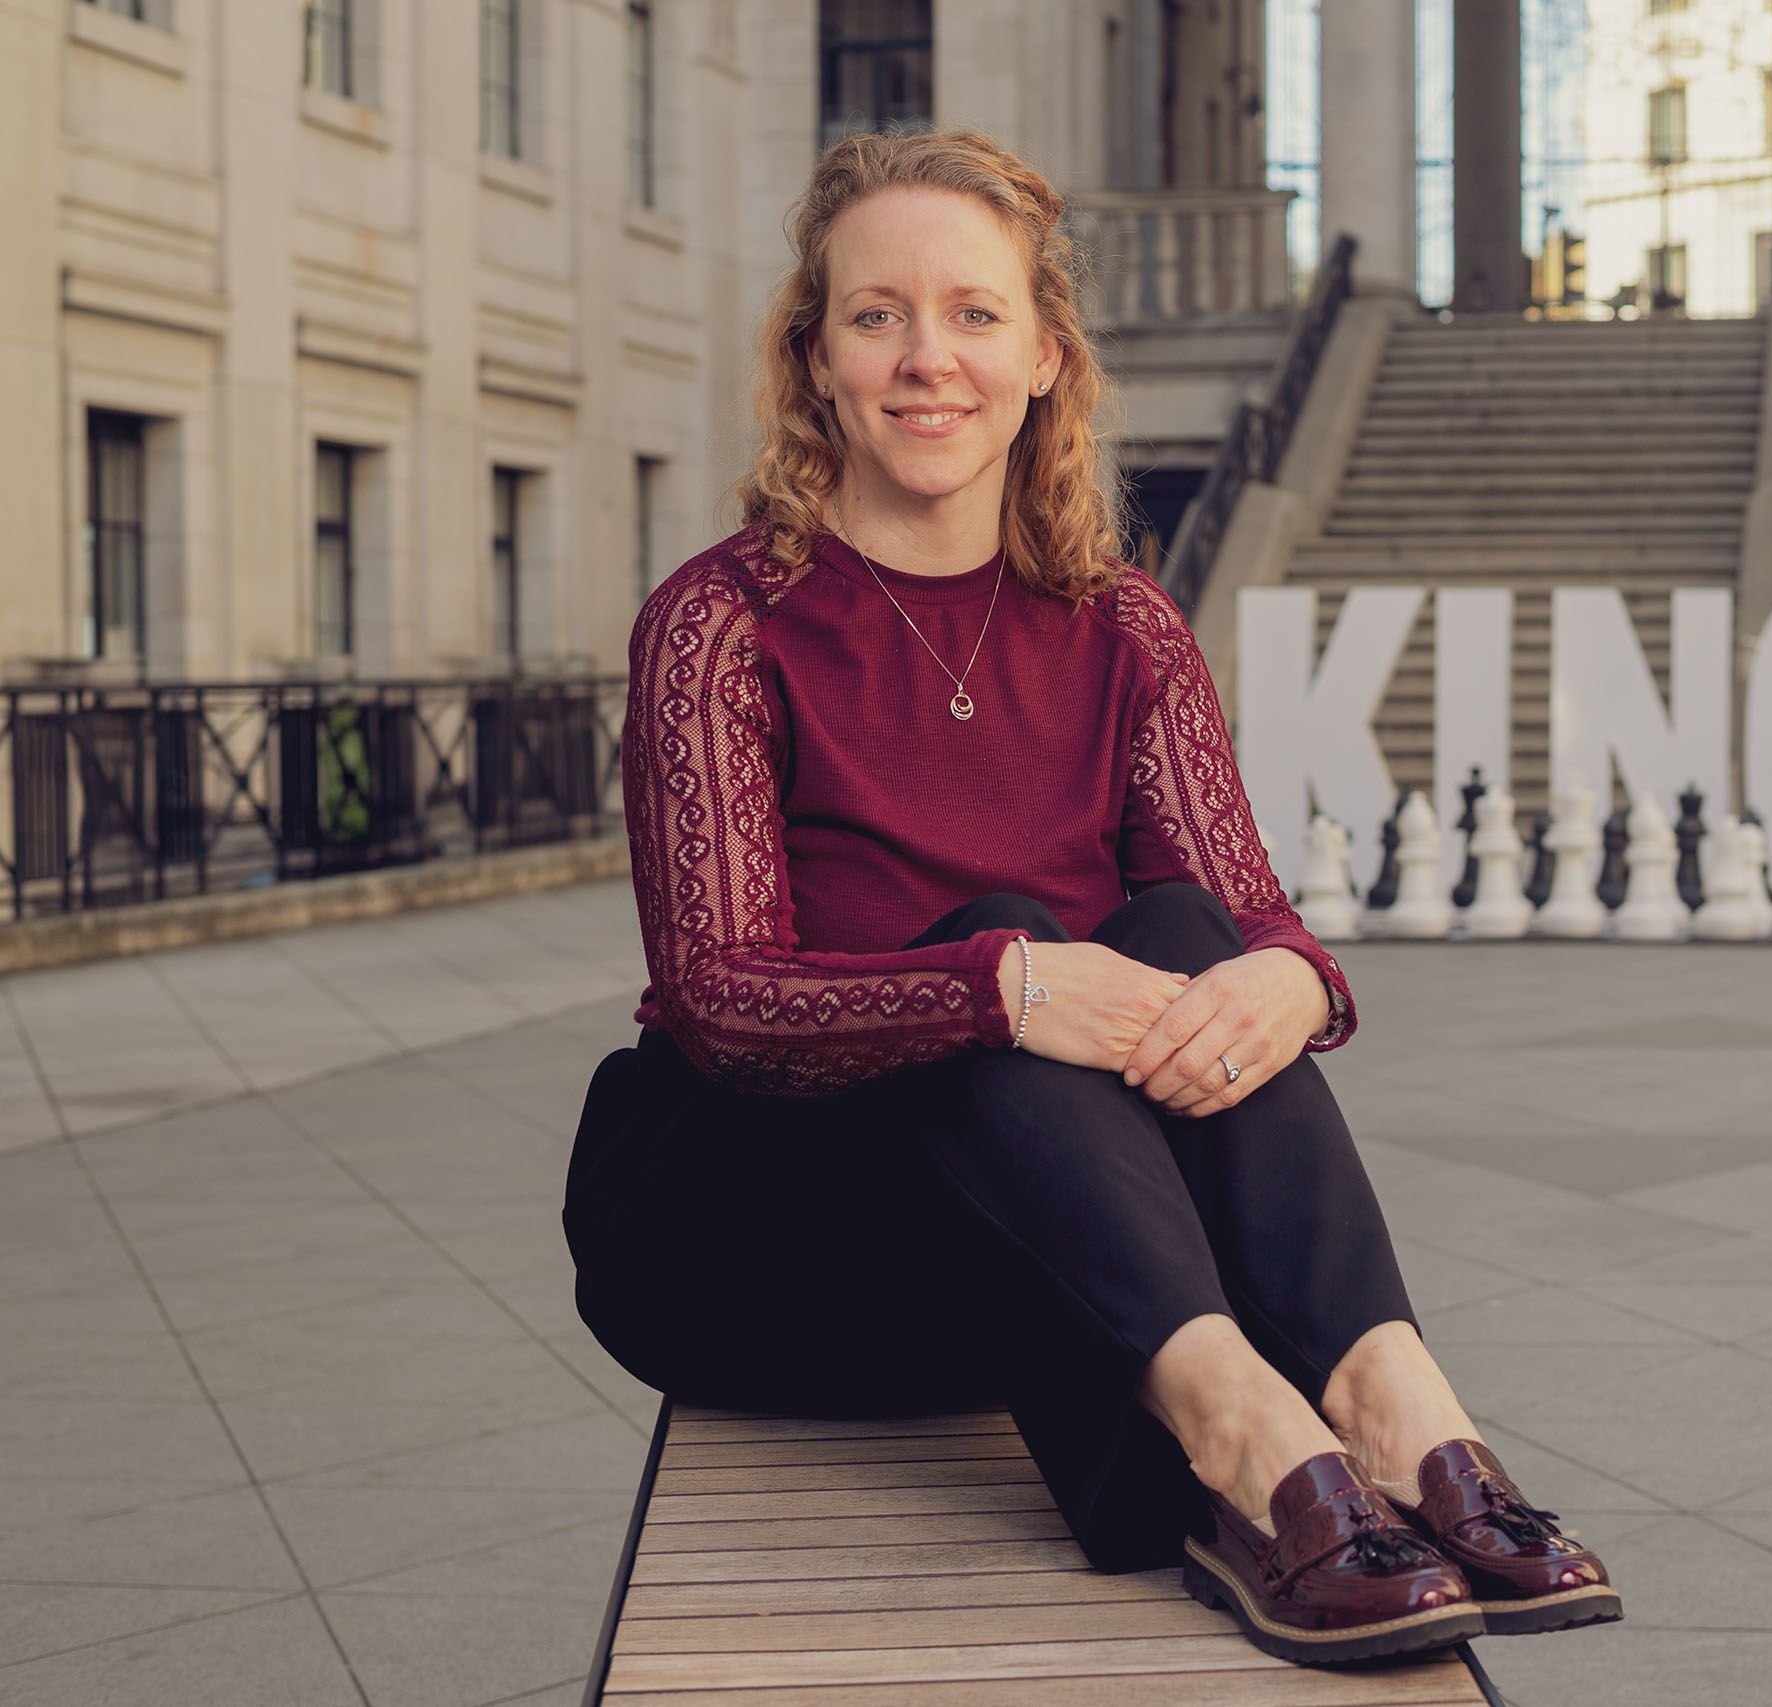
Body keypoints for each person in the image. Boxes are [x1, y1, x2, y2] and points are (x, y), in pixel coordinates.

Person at [562, 125, 1619, 1669]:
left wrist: (1292, 983)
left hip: (1047, 1247)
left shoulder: (1123, 625)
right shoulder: (723, 622)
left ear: (1045, 356)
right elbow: (721, 1005)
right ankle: (1244, 1439)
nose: (928, 359)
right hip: (763, 1227)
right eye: (877, 315)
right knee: (995, 948)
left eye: (973, 314)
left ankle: (1391, 1400)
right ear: (816, 360)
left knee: (1191, 934)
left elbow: (1256, 917)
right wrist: (1003, 987)